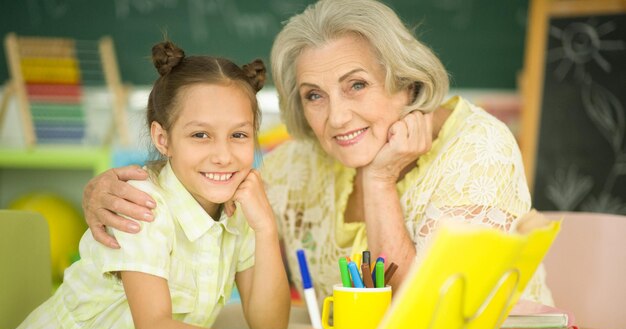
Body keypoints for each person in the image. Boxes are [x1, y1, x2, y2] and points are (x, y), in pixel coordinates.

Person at [82, 0, 553, 305]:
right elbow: (206, 172)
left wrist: (379, 181)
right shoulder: (299, 164)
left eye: (357, 85)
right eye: (314, 95)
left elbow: (427, 316)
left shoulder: (477, 148)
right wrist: (116, 185)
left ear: (407, 83)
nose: (338, 118)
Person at [0, 40, 344, 329]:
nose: (224, 154)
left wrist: (265, 228)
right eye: (200, 135)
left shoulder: (241, 206)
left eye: (239, 135)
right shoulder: (141, 203)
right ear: (163, 139)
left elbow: (268, 325)